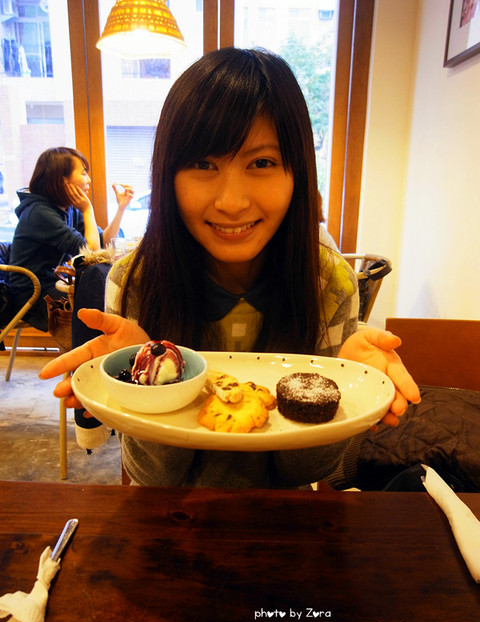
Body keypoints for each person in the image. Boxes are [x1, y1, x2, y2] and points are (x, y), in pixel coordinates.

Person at [40, 48, 420, 489]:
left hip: (287, 516)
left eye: (262, 163)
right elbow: (155, 476)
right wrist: (147, 386)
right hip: (169, 514)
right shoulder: (136, 282)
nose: (232, 202)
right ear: (168, 174)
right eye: (204, 164)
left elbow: (305, 472)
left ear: (297, 173)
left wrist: (341, 390)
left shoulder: (328, 283)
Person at [9, 147, 134, 332]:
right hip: (32, 296)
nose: (88, 180)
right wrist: (88, 210)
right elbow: (92, 254)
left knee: (109, 295)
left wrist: (121, 208)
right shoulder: (39, 213)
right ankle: (94, 349)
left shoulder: (66, 208)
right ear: (63, 179)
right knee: (98, 300)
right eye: (83, 173)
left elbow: (103, 243)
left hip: (53, 285)